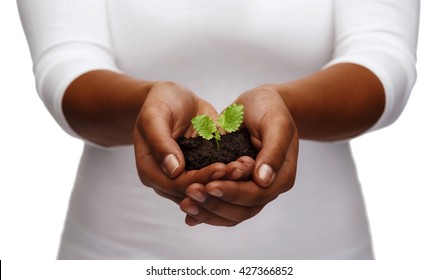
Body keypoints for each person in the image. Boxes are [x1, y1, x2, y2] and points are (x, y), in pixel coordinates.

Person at [17, 0, 419, 259]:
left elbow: (384, 61)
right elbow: (65, 70)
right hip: (117, 255)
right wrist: (147, 105)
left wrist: (288, 108)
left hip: (320, 254)